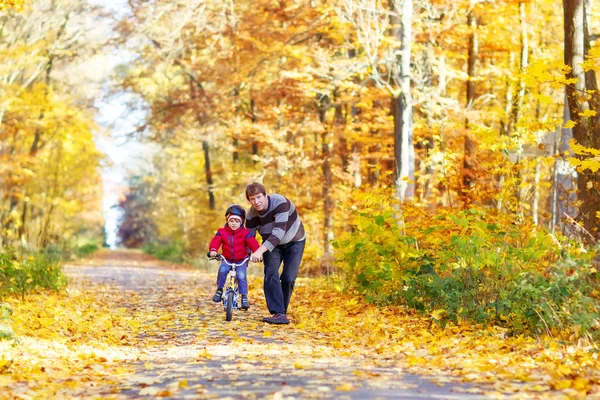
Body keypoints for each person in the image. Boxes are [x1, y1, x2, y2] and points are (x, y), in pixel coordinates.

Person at [245, 182, 306, 325]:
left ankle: (281, 313)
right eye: (252, 199)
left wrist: (259, 250)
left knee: (288, 278)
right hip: (271, 245)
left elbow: (278, 233)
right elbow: (249, 237)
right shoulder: (251, 214)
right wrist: (244, 257)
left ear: (266, 195)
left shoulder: (280, 203)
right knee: (271, 273)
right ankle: (278, 313)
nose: (256, 202)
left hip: (294, 241)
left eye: (259, 197)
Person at [209, 204, 260, 310]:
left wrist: (257, 253)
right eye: (231, 220)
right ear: (227, 220)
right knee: (222, 270)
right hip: (227, 259)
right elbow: (216, 241)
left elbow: (253, 244)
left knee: (241, 276)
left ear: (241, 222)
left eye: (237, 221)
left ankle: (244, 297)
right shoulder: (222, 232)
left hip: (241, 260)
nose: (234, 224)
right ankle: (219, 290)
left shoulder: (245, 233)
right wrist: (213, 250)